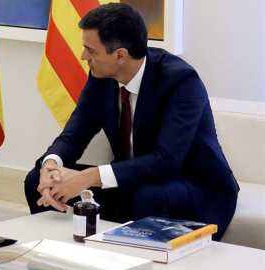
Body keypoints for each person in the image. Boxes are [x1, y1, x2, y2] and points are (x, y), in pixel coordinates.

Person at [24, 3, 238, 240]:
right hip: (133, 179)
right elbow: (75, 133)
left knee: (148, 196)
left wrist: (88, 177)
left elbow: (166, 161)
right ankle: (58, 255)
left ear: (120, 55)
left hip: (191, 184)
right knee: (36, 179)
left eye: (91, 51)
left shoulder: (180, 81)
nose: (84, 56)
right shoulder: (101, 77)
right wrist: (51, 165)